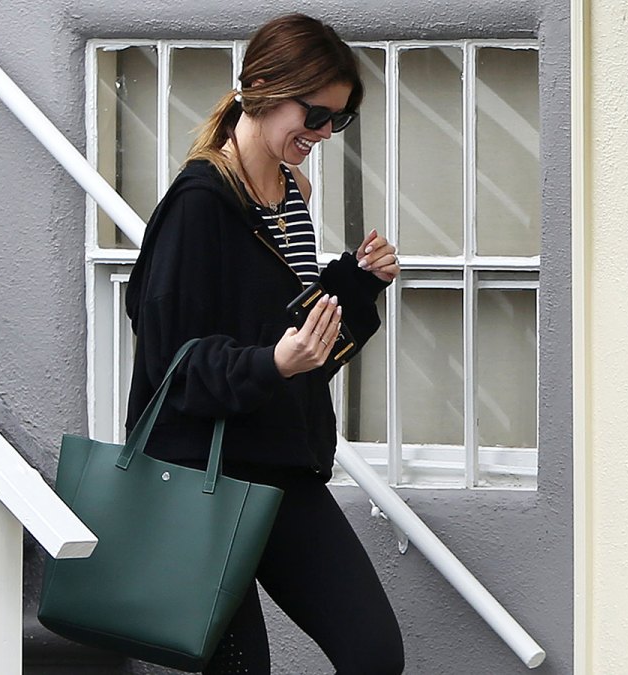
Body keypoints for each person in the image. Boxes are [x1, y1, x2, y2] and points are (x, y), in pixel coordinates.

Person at [124, 14, 404, 675]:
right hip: (202, 478)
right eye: (316, 114)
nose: (325, 133)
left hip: (281, 466)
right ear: (264, 91)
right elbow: (172, 363)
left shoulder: (291, 192)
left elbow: (296, 338)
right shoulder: (199, 203)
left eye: (339, 119)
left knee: (373, 654)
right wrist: (271, 362)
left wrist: (356, 284)